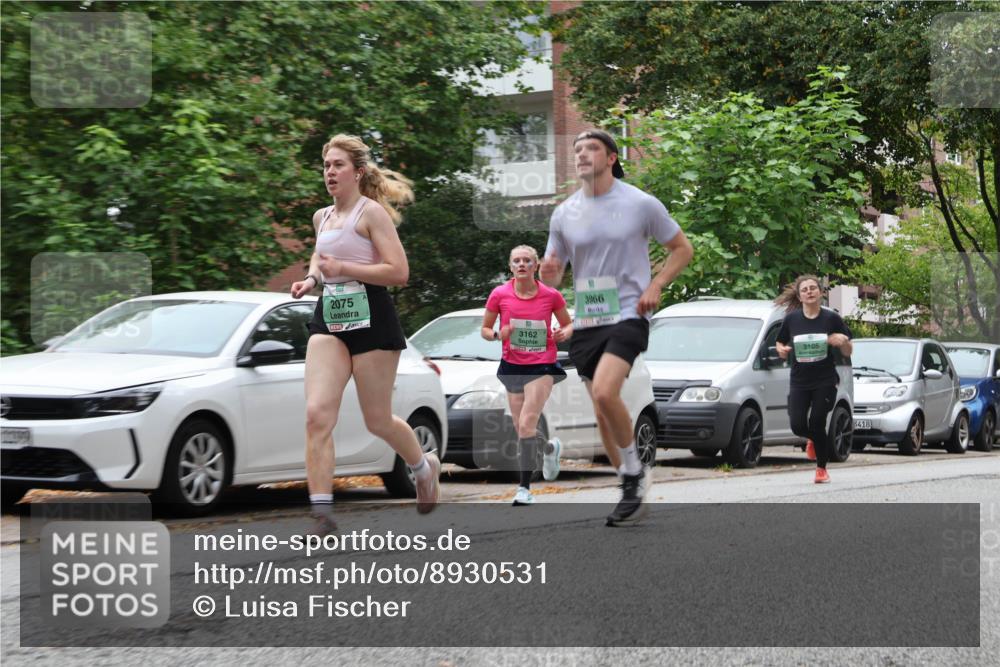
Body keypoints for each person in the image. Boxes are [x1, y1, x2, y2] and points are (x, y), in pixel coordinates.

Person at [540, 129, 694, 526]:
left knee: (607, 391)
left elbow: (682, 249)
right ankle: (630, 478)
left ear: (611, 158)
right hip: (588, 320)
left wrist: (656, 284)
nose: (582, 154)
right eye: (577, 149)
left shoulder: (639, 203)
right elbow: (554, 276)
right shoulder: (564, 214)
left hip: (629, 313)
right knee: (603, 409)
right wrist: (550, 273)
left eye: (591, 148)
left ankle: (632, 476)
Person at [290, 134, 440, 534]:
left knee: (376, 420)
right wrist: (311, 279)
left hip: (372, 316)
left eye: (338, 165)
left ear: (356, 172)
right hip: (331, 318)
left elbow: (399, 273)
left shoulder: (371, 213)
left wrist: (345, 269)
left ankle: (423, 467)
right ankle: (321, 514)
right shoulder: (322, 217)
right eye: (326, 166)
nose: (330, 172)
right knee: (316, 414)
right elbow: (322, 260)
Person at [482, 245, 573, 506]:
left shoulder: (551, 295)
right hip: (512, 365)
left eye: (527, 261)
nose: (521, 264)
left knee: (526, 423)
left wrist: (563, 333)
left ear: (535, 266)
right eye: (516, 261)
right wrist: (500, 335)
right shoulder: (500, 294)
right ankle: (548, 449)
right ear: (510, 267)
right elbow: (485, 330)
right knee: (522, 428)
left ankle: (524, 488)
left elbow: (567, 324)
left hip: (542, 365)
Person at [774, 275, 853, 484]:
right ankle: (814, 439)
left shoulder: (831, 319)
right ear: (800, 296)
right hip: (799, 380)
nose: (809, 292)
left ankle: (821, 468)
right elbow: (780, 344)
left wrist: (842, 341)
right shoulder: (792, 319)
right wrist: (782, 350)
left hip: (825, 380)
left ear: (820, 292)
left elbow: (848, 350)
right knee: (798, 425)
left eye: (812, 288)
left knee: (817, 421)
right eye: (804, 290)